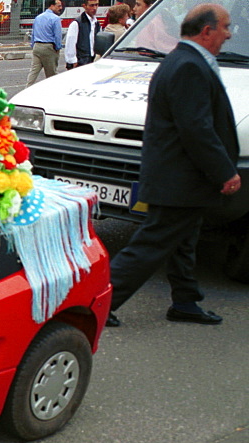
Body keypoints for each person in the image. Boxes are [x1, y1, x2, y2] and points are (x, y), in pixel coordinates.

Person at [106, 4, 239, 328]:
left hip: (180, 178)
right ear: (206, 31)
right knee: (150, 245)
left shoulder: (185, 61)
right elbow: (196, 129)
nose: (229, 34)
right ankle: (99, 301)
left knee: (184, 240)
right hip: (178, 179)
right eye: (225, 27)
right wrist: (224, 171)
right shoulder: (188, 66)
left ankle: (185, 301)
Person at [26, 0, 63, 86]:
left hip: (37, 46)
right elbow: (57, 36)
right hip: (48, 47)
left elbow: (34, 33)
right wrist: (57, 48)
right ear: (52, 6)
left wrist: (33, 45)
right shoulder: (55, 19)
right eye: (58, 6)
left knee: (34, 71)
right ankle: (52, 92)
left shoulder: (38, 17)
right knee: (51, 74)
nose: (60, 8)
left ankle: (27, 88)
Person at [65, 0, 101, 69]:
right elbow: (70, 43)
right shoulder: (77, 23)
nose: (95, 8)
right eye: (91, 5)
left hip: (92, 59)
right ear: (84, 6)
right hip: (81, 60)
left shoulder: (96, 23)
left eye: (96, 5)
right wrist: (72, 61)